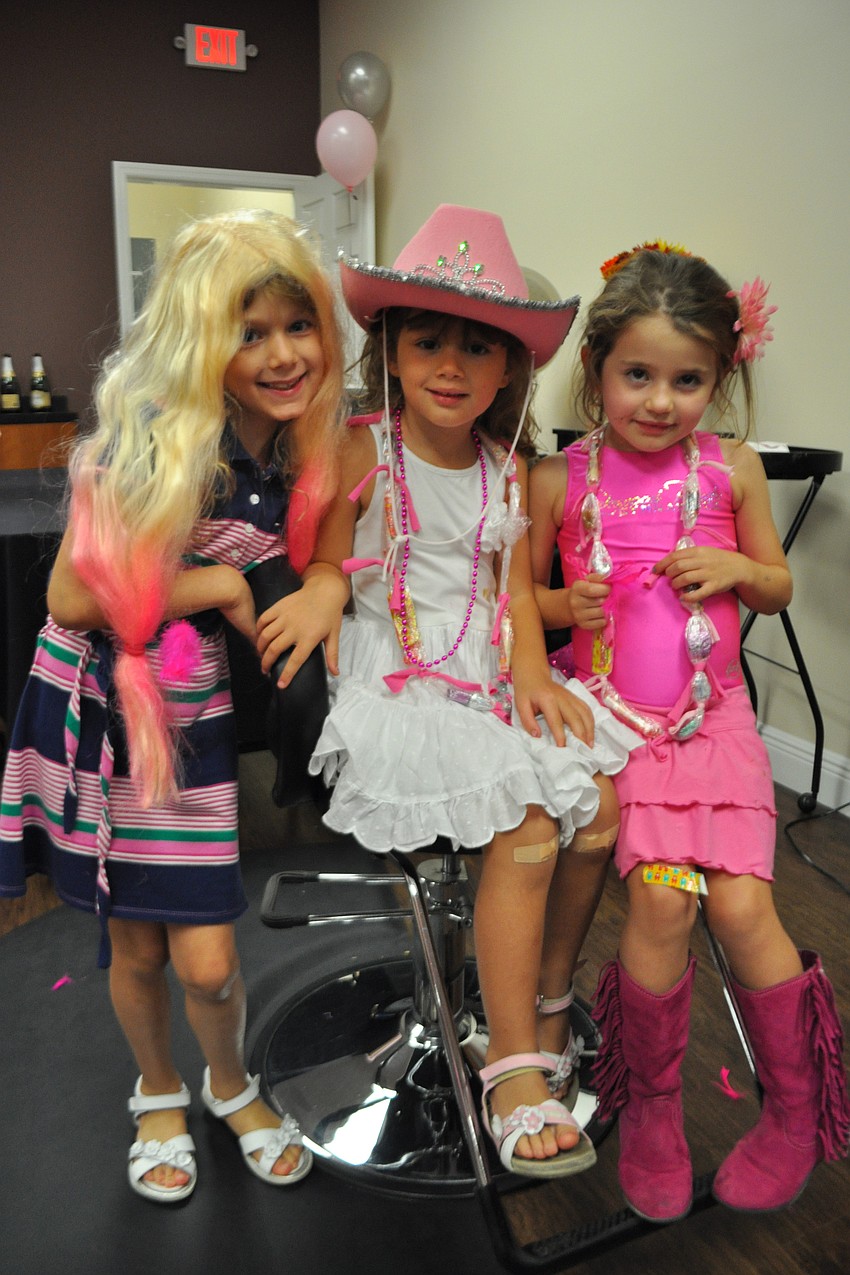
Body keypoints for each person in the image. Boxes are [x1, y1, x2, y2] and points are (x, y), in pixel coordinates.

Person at [0, 210, 350, 1202]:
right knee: (135, 943)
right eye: (250, 331)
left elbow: (329, 553)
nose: (283, 353)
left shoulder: (291, 449)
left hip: (185, 721)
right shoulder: (150, 438)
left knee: (205, 960)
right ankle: (158, 1089)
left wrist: (322, 583)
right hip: (102, 716)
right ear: (204, 340)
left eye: (298, 324)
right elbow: (72, 596)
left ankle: (229, 1085)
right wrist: (221, 590)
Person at [305, 204, 643, 1178]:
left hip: (489, 675)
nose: (451, 365)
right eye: (428, 341)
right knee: (531, 827)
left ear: (510, 369)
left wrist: (533, 675)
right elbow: (329, 570)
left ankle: (536, 1000)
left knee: (599, 811)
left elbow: (509, 600)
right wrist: (320, 608)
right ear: (392, 352)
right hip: (396, 685)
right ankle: (509, 1066)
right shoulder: (362, 452)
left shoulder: (510, 471)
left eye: (477, 348)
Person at [529, 242, 849, 1219]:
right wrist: (562, 605)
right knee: (664, 908)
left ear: (719, 379)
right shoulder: (560, 480)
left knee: (746, 910)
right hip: (622, 731)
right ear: (595, 372)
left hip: (714, 733)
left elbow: (777, 580)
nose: (660, 400)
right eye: (638, 374)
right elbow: (520, 609)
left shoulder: (733, 469)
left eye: (687, 379)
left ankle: (796, 1114)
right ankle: (656, 1108)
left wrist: (739, 575)